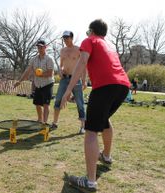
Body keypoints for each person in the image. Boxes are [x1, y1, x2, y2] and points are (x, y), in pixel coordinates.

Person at [60, 19, 130, 192]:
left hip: (105, 86)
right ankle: (106, 156)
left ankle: (90, 182)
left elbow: (82, 62)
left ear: (91, 31)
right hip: (123, 86)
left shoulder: (89, 40)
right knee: (104, 119)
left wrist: (68, 90)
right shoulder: (110, 45)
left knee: (91, 130)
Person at [51, 31, 86, 134]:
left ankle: (83, 126)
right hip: (64, 79)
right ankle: (55, 122)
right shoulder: (62, 51)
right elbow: (61, 65)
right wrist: (60, 70)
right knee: (58, 100)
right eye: (64, 38)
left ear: (72, 38)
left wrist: (84, 81)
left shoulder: (78, 49)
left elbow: (84, 66)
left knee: (80, 102)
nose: (65, 40)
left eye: (67, 38)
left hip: (76, 79)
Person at [14, 39, 55, 124]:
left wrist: (40, 74)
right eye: (38, 47)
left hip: (48, 84)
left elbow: (50, 73)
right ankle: (40, 120)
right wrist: (20, 81)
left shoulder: (49, 59)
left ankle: (45, 122)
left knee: (46, 104)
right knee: (37, 104)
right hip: (38, 84)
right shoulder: (34, 59)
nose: (39, 48)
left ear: (45, 47)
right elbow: (27, 71)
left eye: (41, 47)